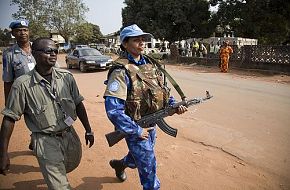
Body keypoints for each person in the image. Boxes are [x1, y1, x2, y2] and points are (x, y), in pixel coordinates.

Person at [0, 38, 94, 189]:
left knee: (71, 164)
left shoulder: (66, 77)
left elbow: (78, 103)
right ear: (35, 54)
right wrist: (3, 152)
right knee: (60, 186)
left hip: (69, 134)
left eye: (55, 51)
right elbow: (9, 119)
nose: (53, 54)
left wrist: (88, 129)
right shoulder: (22, 85)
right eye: (48, 51)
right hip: (45, 141)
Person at [103, 24, 187, 190]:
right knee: (148, 165)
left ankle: (120, 164)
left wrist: (173, 105)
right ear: (125, 44)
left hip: (152, 124)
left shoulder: (150, 64)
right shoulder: (120, 71)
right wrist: (136, 130)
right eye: (136, 40)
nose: (142, 43)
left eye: (143, 39)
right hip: (135, 127)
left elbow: (161, 92)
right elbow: (113, 111)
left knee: (138, 158)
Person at [2, 19, 36, 103]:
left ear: (29, 32)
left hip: (43, 93)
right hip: (24, 96)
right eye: (18, 31)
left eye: (25, 30)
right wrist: (8, 105)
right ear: (13, 33)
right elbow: (8, 81)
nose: (23, 33)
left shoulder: (39, 48)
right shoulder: (9, 54)